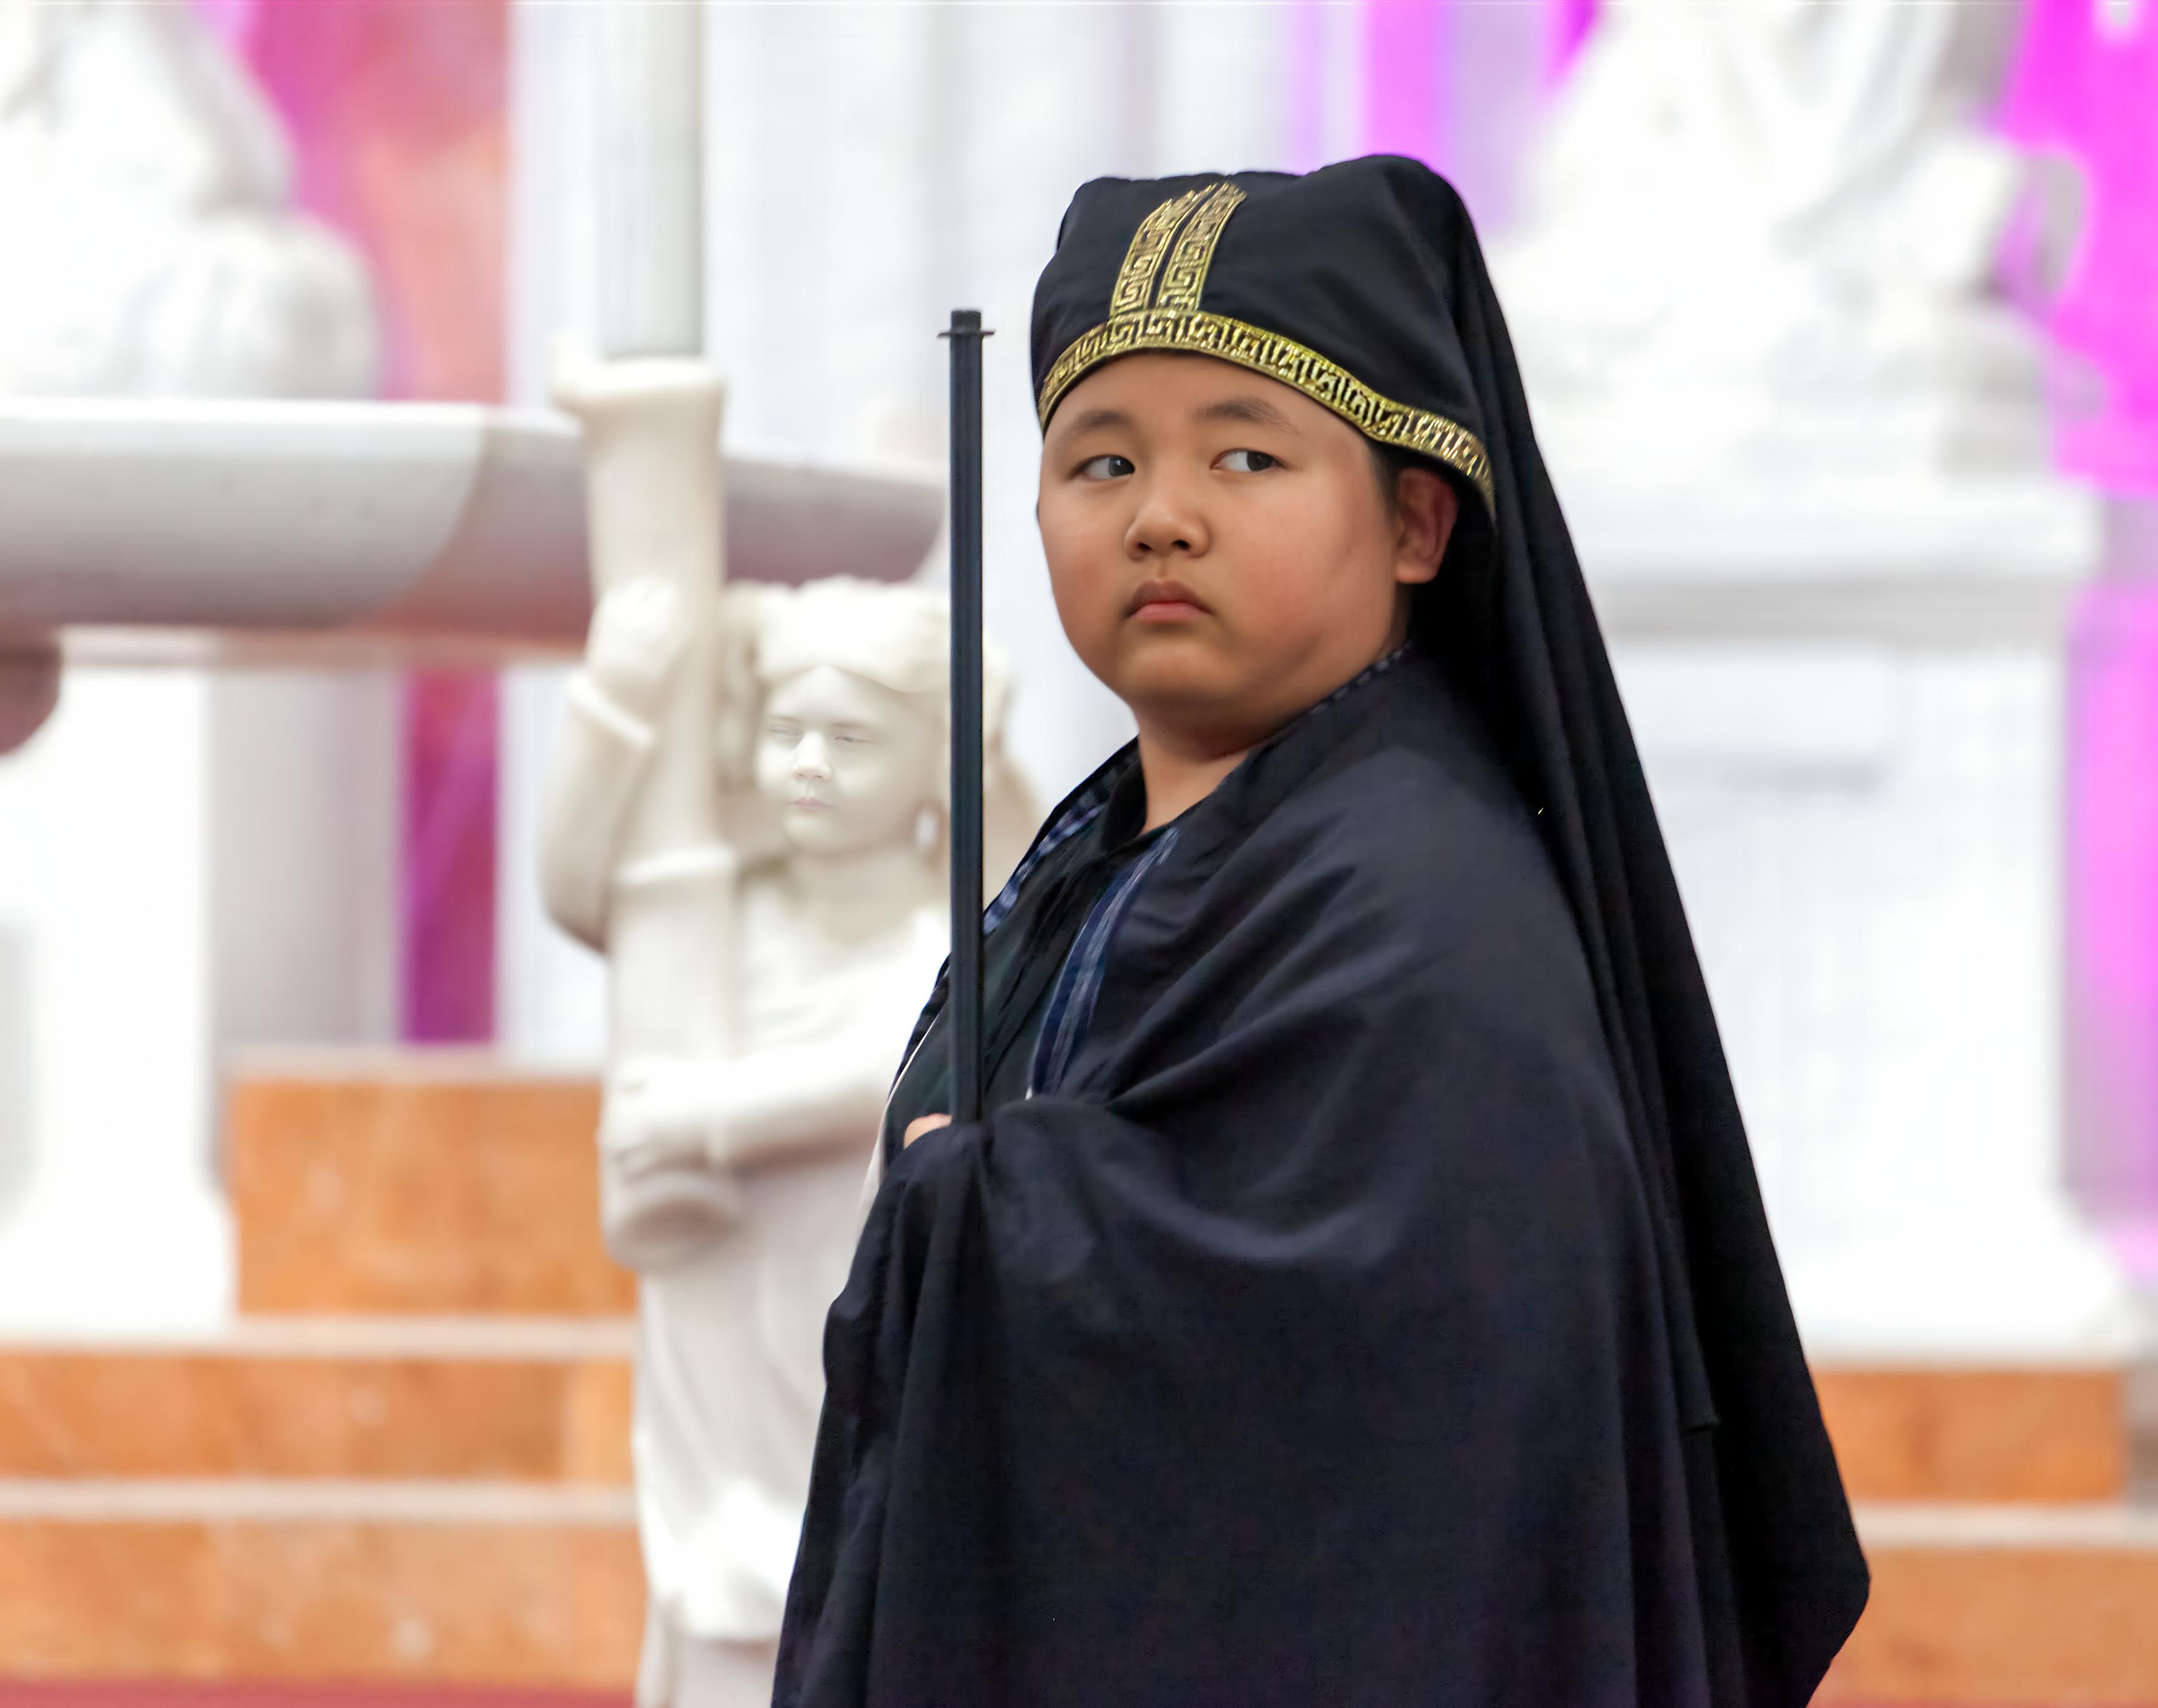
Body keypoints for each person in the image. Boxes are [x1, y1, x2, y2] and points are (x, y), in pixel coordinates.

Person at [773, 160, 1868, 1708]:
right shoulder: (1106, 845)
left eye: (1244, 455)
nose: (1160, 517)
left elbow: (1344, 1397)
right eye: (1098, 462)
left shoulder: (1425, 913)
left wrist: (975, 1209)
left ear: (1416, 519)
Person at [538, 577, 1033, 1708]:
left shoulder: (940, 938)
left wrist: (706, 1117)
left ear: (931, 757)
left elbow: (883, 1068)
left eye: (851, 739)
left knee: (830, 1552)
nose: (808, 764)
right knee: (712, 1579)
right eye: (783, 732)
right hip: (715, 1298)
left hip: (838, 1285)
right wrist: (613, 706)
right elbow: (576, 890)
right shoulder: (715, 909)